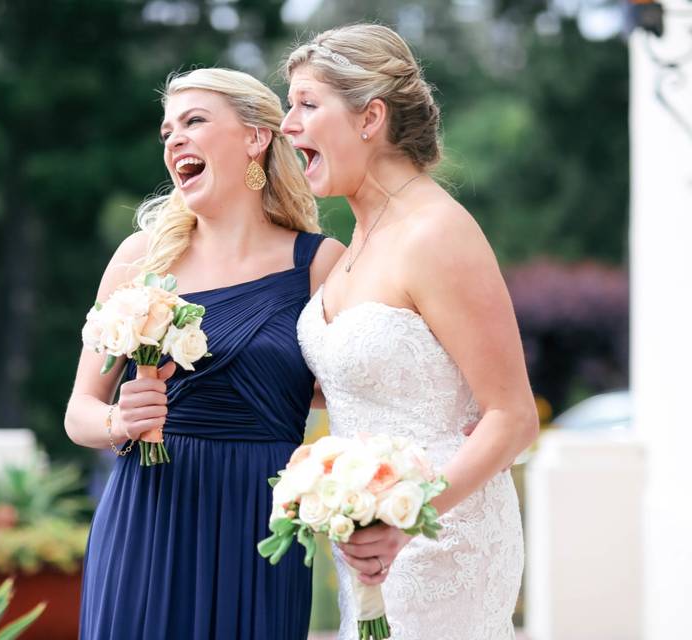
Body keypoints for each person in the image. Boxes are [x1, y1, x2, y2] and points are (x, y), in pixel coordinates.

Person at [64, 67, 344, 639]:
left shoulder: (319, 263)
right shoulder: (142, 258)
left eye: (194, 121)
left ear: (255, 137)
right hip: (148, 518)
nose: (174, 140)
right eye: (167, 131)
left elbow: (344, 393)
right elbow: (79, 413)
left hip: (260, 522)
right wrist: (120, 418)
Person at [283, 24, 539, 640]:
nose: (289, 125)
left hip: (440, 537)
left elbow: (514, 416)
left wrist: (405, 519)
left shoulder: (437, 232)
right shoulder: (354, 245)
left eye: (307, 105)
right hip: (368, 545)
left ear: (370, 117)